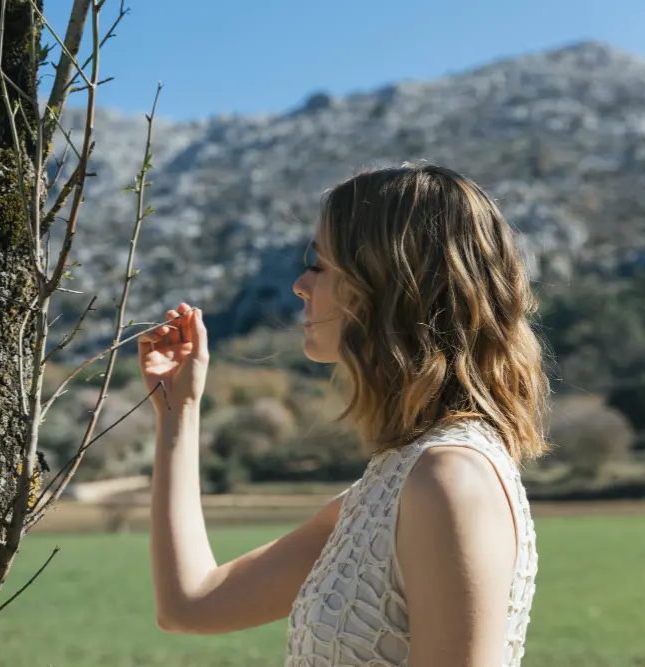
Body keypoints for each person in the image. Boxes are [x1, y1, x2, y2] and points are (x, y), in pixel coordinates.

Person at [138, 163, 550, 667]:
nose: (299, 285)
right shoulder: (391, 484)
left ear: (388, 286)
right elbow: (192, 604)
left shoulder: (449, 480)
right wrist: (178, 413)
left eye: (319, 265)